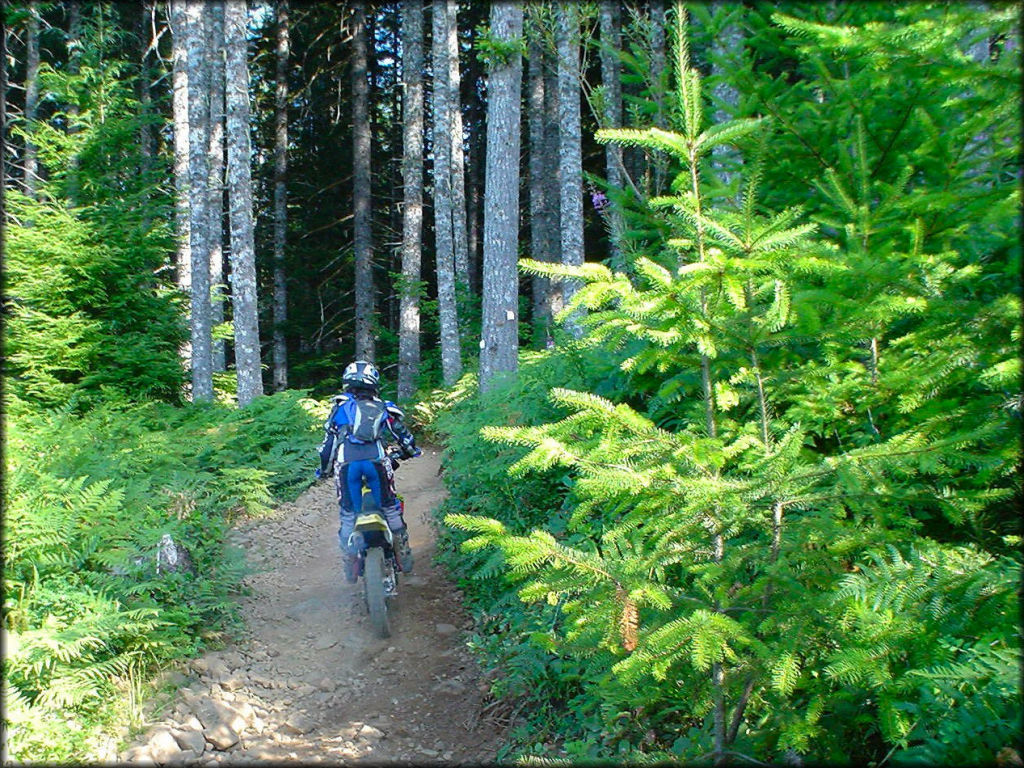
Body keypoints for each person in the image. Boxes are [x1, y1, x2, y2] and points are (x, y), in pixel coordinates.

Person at [317, 360, 421, 583]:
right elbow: (404, 437)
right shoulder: (383, 407)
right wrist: (411, 451)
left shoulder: (340, 409)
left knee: (348, 514)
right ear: (375, 383)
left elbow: (327, 447)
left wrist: (323, 470)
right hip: (375, 462)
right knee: (390, 506)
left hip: (347, 466)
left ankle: (349, 560)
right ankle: (402, 552)